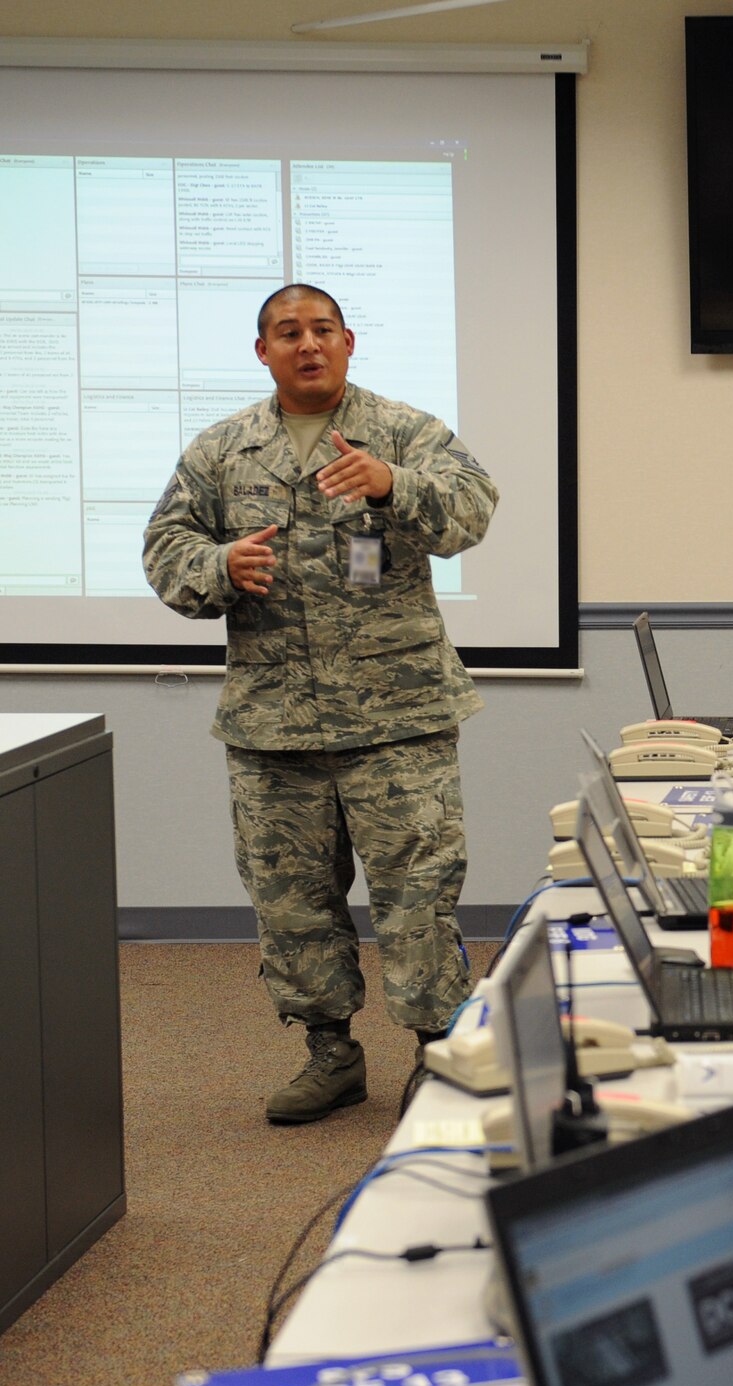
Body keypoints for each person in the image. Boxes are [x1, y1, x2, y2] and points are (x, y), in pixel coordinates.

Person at [143, 284, 497, 1125]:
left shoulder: (405, 432)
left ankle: (436, 1054)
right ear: (262, 349)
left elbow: (473, 510)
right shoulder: (223, 450)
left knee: (418, 894)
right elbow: (167, 546)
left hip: (398, 717)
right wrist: (219, 565)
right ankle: (329, 1053)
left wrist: (392, 484)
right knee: (293, 902)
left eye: (323, 330)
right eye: (288, 332)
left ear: (348, 342)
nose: (308, 344)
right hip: (274, 722)